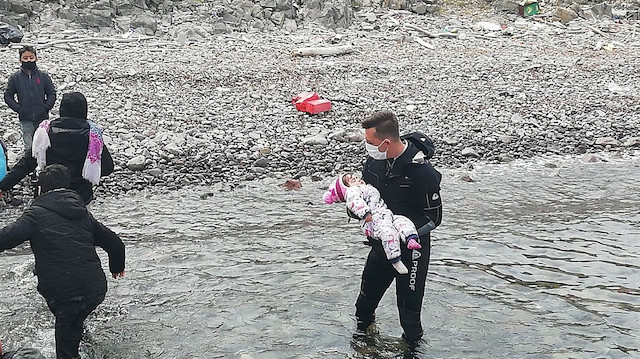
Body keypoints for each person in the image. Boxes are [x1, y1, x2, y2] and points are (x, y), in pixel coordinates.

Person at [0, 164, 125, 359]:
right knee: (76, 322)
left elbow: (6, 238)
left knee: (66, 350)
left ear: (40, 189)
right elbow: (115, 244)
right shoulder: (83, 214)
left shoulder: (35, 215)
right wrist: (117, 267)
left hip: (65, 294)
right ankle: (88, 347)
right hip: (95, 288)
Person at [355, 110, 442, 348]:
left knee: (409, 318)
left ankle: (411, 351)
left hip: (412, 251)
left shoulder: (421, 171)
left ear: (385, 142)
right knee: (363, 308)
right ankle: (363, 348)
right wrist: (358, 212)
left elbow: (434, 218)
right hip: (381, 247)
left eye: (370, 142)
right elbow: (363, 199)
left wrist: (403, 233)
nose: (367, 146)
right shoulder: (373, 163)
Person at [0, 92, 114, 205]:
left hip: (47, 194)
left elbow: (27, 163)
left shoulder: (45, 131)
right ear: (84, 111)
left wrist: (2, 186)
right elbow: (107, 168)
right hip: (79, 197)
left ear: (61, 110)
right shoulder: (93, 135)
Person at [323, 173, 422, 274]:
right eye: (352, 180)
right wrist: (365, 213)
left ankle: (410, 238)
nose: (357, 179)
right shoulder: (352, 192)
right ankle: (395, 259)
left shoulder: (365, 187)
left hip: (386, 214)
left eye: (356, 177)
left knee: (403, 221)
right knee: (389, 233)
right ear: (346, 188)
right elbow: (356, 203)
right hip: (374, 220)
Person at [4, 45, 57, 154]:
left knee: (43, 146)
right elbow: (8, 96)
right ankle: (30, 168)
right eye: (26, 58)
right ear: (20, 60)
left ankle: (42, 168)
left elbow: (51, 93)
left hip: (42, 118)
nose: (29, 60)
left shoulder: (43, 76)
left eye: (31, 58)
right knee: (29, 148)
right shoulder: (15, 78)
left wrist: (46, 107)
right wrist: (19, 109)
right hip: (25, 118)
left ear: (36, 58)